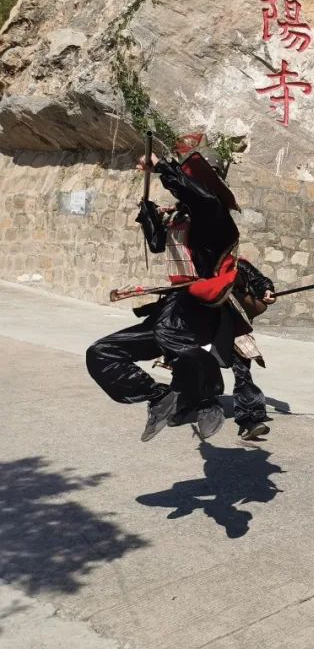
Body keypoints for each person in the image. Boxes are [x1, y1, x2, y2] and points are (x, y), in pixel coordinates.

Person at [86, 144, 241, 442]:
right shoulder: (182, 217)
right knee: (101, 353)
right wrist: (149, 216)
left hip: (202, 307)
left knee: (173, 336)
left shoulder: (216, 214)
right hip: (173, 306)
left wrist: (162, 167)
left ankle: (208, 400)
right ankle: (160, 397)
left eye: (191, 178)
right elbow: (159, 244)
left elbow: (203, 198)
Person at [229, 258, 277, 440]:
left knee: (242, 371)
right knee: (195, 371)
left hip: (235, 327)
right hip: (205, 328)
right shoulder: (196, 264)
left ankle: (250, 420)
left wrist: (267, 291)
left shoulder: (237, 264)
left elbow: (259, 280)